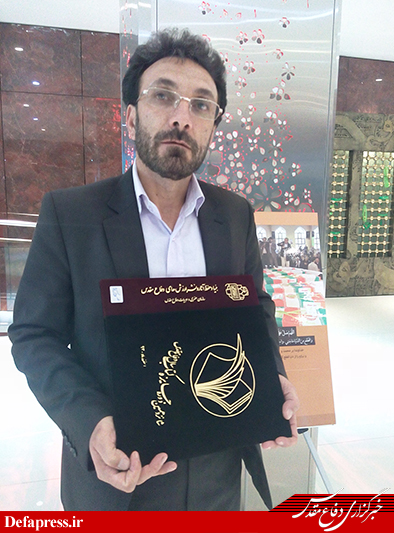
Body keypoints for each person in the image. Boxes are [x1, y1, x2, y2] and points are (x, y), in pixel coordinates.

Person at [8, 28, 299, 512]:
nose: (181, 117)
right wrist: (89, 421)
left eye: (201, 105)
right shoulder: (71, 214)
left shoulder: (235, 215)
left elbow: (255, 306)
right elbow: (34, 334)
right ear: (130, 114)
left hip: (218, 474)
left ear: (213, 125)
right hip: (118, 476)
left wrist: (271, 377)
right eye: (163, 96)